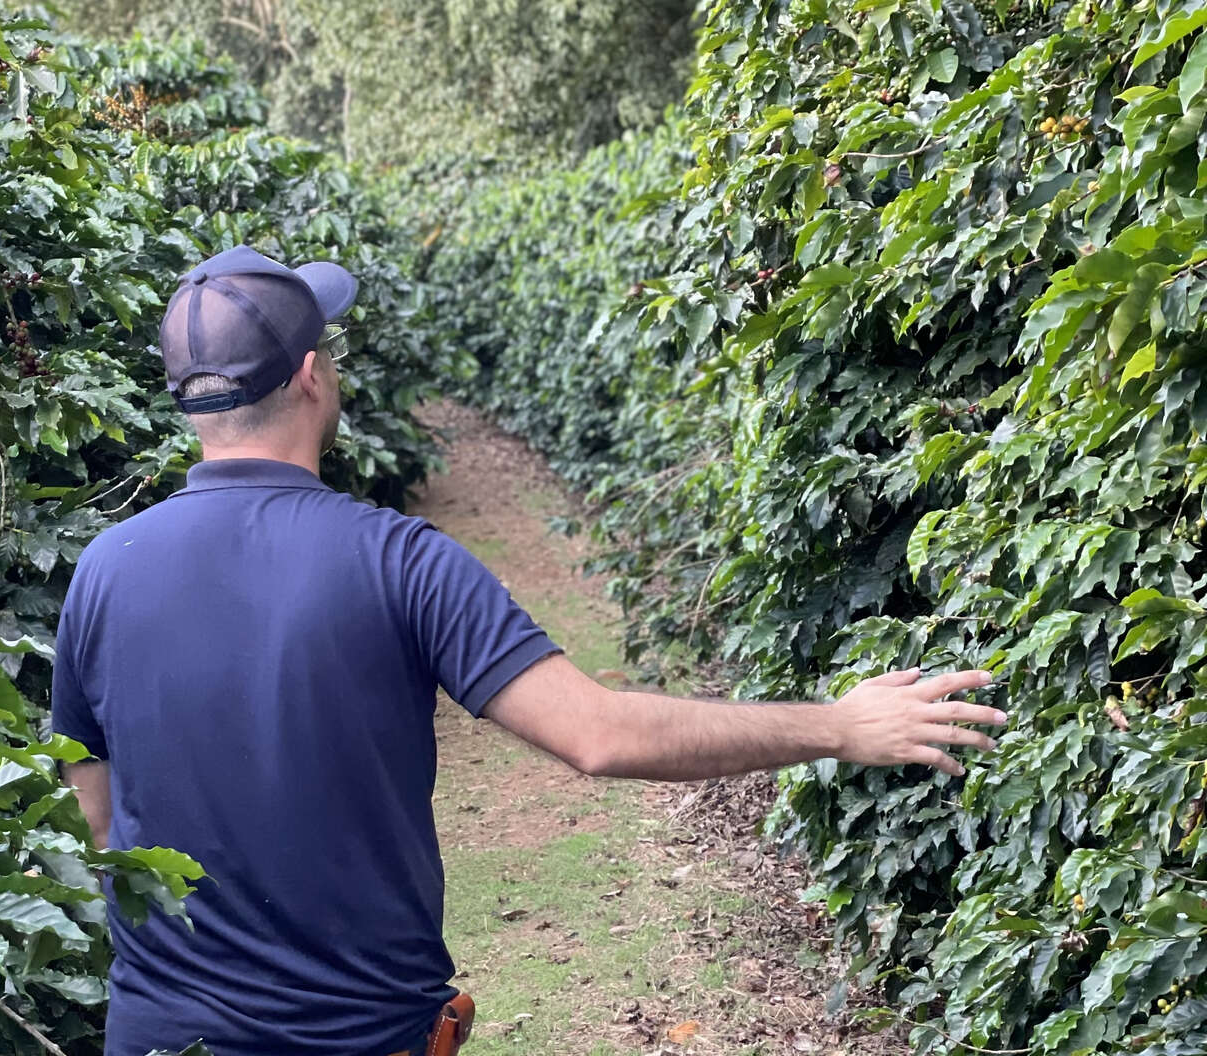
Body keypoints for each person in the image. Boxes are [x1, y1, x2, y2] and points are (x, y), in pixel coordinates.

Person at [51, 245, 1006, 1056]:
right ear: (311, 375)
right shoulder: (397, 561)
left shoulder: (101, 572)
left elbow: (96, 823)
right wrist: (838, 726)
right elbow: (600, 735)